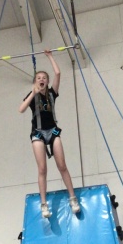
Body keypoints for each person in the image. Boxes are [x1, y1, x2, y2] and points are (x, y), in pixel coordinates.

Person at [19, 50, 80, 218]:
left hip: (52, 131)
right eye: (39, 78)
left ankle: (72, 198)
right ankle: (44, 204)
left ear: (47, 81)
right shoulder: (32, 95)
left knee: (62, 166)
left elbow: (58, 73)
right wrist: (33, 93)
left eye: (44, 78)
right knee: (42, 169)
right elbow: (21, 109)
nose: (42, 80)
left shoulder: (52, 93)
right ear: (35, 82)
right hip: (38, 133)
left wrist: (50, 56)